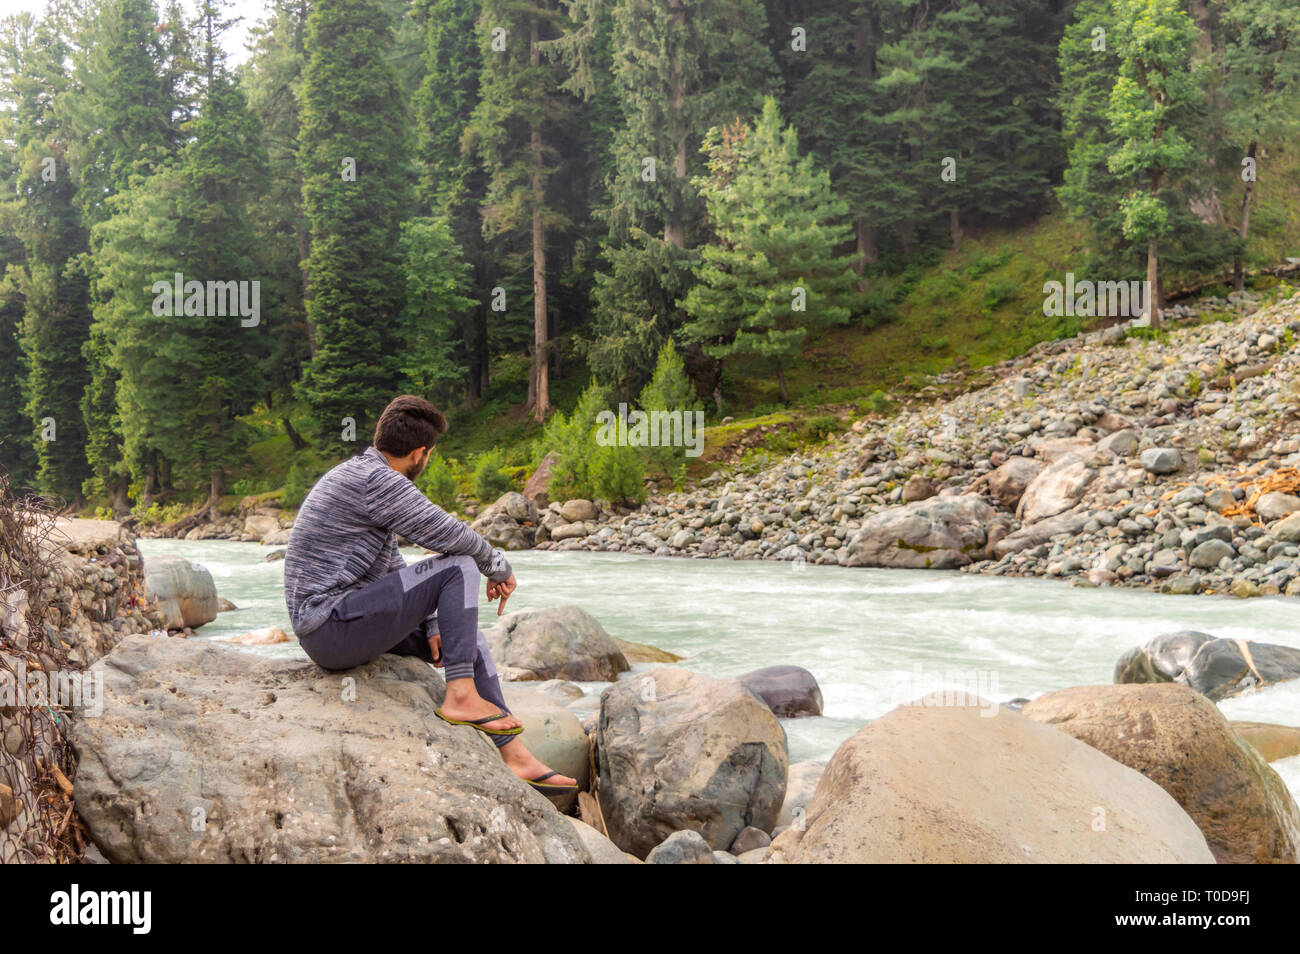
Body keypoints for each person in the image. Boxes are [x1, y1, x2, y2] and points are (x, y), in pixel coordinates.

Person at [282, 395, 576, 793]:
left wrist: (434, 620)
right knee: (460, 563)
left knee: (466, 634)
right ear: (420, 453)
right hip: (329, 626)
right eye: (431, 454)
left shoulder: (369, 479)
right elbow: (450, 535)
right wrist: (499, 566)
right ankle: (459, 696)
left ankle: (514, 755)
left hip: (347, 623)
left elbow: (392, 570)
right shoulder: (376, 480)